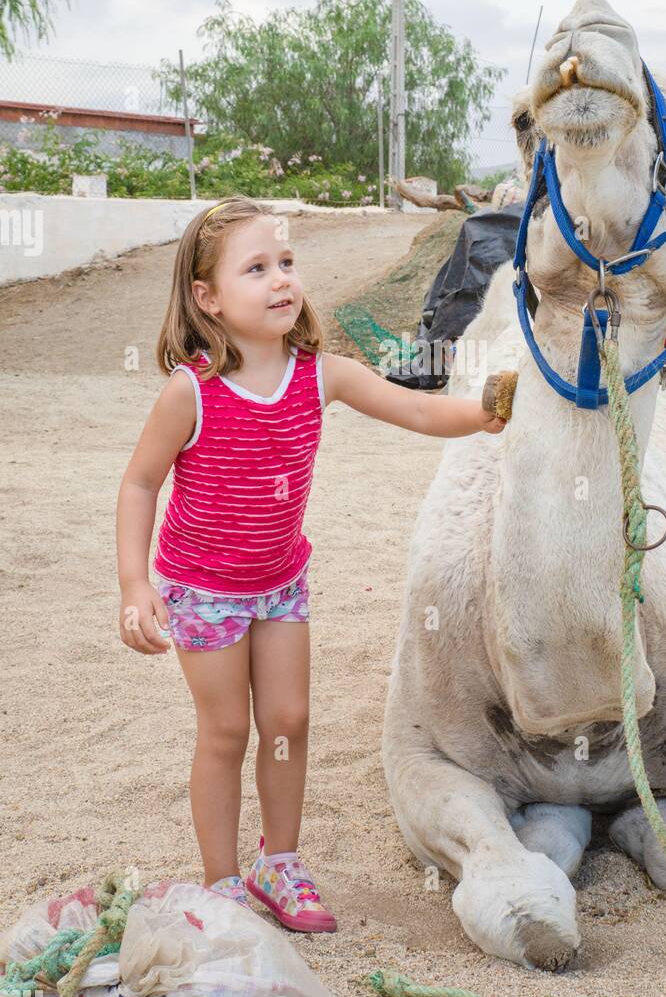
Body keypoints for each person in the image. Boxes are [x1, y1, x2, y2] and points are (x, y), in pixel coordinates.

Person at [115, 194, 505, 934]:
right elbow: (139, 483)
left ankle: (279, 862)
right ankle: (222, 882)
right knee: (226, 731)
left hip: (279, 583)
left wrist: (487, 410)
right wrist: (136, 585)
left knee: (289, 719)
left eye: (287, 263)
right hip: (202, 591)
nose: (281, 280)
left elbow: (418, 411)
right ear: (208, 298)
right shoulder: (191, 391)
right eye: (256, 268)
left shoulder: (318, 374)